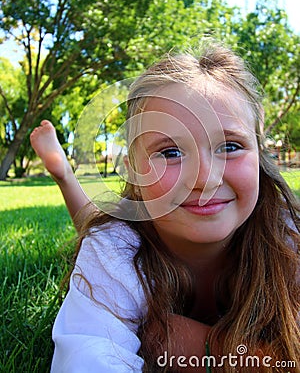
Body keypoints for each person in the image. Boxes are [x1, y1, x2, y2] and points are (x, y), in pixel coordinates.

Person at [30, 40, 300, 373]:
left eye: (230, 146)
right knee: (97, 228)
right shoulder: (115, 250)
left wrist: (197, 347)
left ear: (260, 157)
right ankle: (64, 174)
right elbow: (88, 356)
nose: (205, 179)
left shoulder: (288, 239)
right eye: (170, 152)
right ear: (133, 170)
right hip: (131, 230)